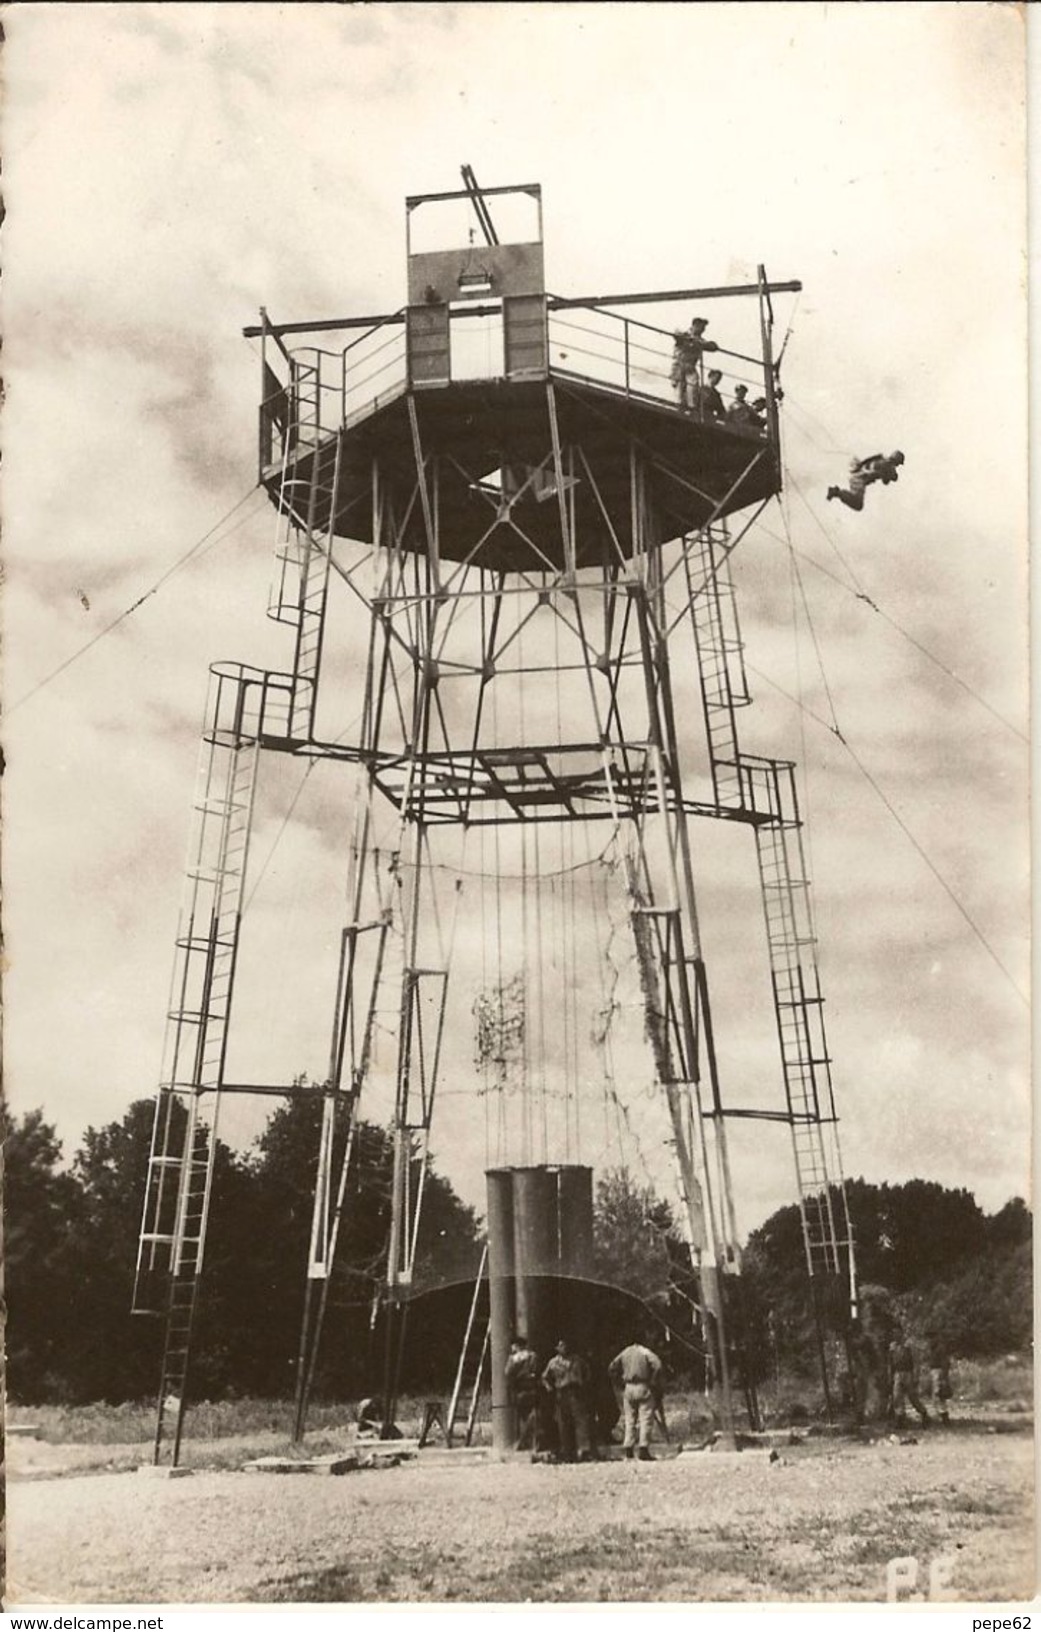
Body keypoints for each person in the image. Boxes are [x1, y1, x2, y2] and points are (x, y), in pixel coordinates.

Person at [609, 1336, 664, 1461]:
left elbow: (612, 1367)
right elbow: (658, 1365)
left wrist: (619, 1382)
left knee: (629, 1419)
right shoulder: (644, 1351)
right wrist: (653, 1380)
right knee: (645, 1418)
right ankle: (643, 1448)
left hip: (628, 1387)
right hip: (643, 1385)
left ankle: (628, 1448)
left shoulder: (625, 1352)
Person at [541, 1337, 595, 1462]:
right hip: (561, 1393)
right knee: (563, 1423)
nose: (563, 1348)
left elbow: (588, 1372)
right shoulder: (553, 1363)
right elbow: (544, 1377)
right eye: (560, 1346)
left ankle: (584, 1450)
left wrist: (584, 1385)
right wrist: (549, 1387)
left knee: (581, 1421)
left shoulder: (577, 1360)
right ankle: (567, 1451)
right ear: (557, 1348)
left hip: (576, 1392)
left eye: (565, 1345)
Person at [827, 450, 905, 511]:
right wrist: (893, 476)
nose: (897, 465)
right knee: (858, 504)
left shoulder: (882, 458)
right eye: (898, 463)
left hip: (857, 476)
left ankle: (837, 493)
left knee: (857, 502)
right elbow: (886, 481)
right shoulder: (888, 465)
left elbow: (869, 460)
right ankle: (837, 492)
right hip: (860, 479)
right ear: (896, 460)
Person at [670, 317, 719, 410]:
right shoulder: (684, 334)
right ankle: (679, 408)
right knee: (679, 389)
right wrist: (688, 339)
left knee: (693, 385)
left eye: (704, 328)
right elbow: (676, 334)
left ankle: (691, 409)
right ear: (695, 326)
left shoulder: (700, 340)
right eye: (701, 327)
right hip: (679, 365)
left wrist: (702, 344)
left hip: (690, 367)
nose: (703, 330)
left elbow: (714, 347)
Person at [504, 1334, 541, 1450]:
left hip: (520, 1390)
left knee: (523, 1417)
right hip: (532, 1388)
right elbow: (536, 1370)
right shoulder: (533, 1356)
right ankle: (534, 1443)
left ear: (517, 1346)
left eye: (513, 1345)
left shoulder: (513, 1359)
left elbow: (507, 1373)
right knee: (533, 1416)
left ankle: (523, 1443)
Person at [888, 1329, 930, 1428]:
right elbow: (890, 1363)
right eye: (894, 1334)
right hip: (898, 1373)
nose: (896, 1335)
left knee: (912, 1396)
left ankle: (923, 1413)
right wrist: (890, 1376)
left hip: (908, 1373)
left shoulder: (909, 1346)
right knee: (897, 1396)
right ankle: (900, 1419)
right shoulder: (892, 1347)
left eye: (898, 1333)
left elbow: (915, 1362)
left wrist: (915, 1376)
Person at [926, 1336, 953, 1425]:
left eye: (932, 1337)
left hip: (938, 1371)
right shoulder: (931, 1349)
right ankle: (940, 1415)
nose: (930, 1340)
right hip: (933, 1371)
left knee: (939, 1395)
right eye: (929, 1338)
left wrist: (943, 1376)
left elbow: (945, 1363)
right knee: (935, 1396)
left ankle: (944, 1417)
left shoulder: (940, 1349)